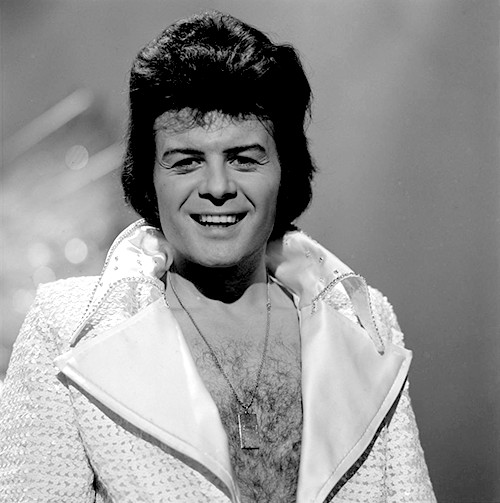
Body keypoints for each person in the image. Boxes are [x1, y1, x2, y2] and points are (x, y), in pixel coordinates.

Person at [0, 11, 436, 503]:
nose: (217, 187)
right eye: (187, 161)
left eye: (243, 158)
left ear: (285, 171)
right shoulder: (64, 329)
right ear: (149, 177)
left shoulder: (364, 322)